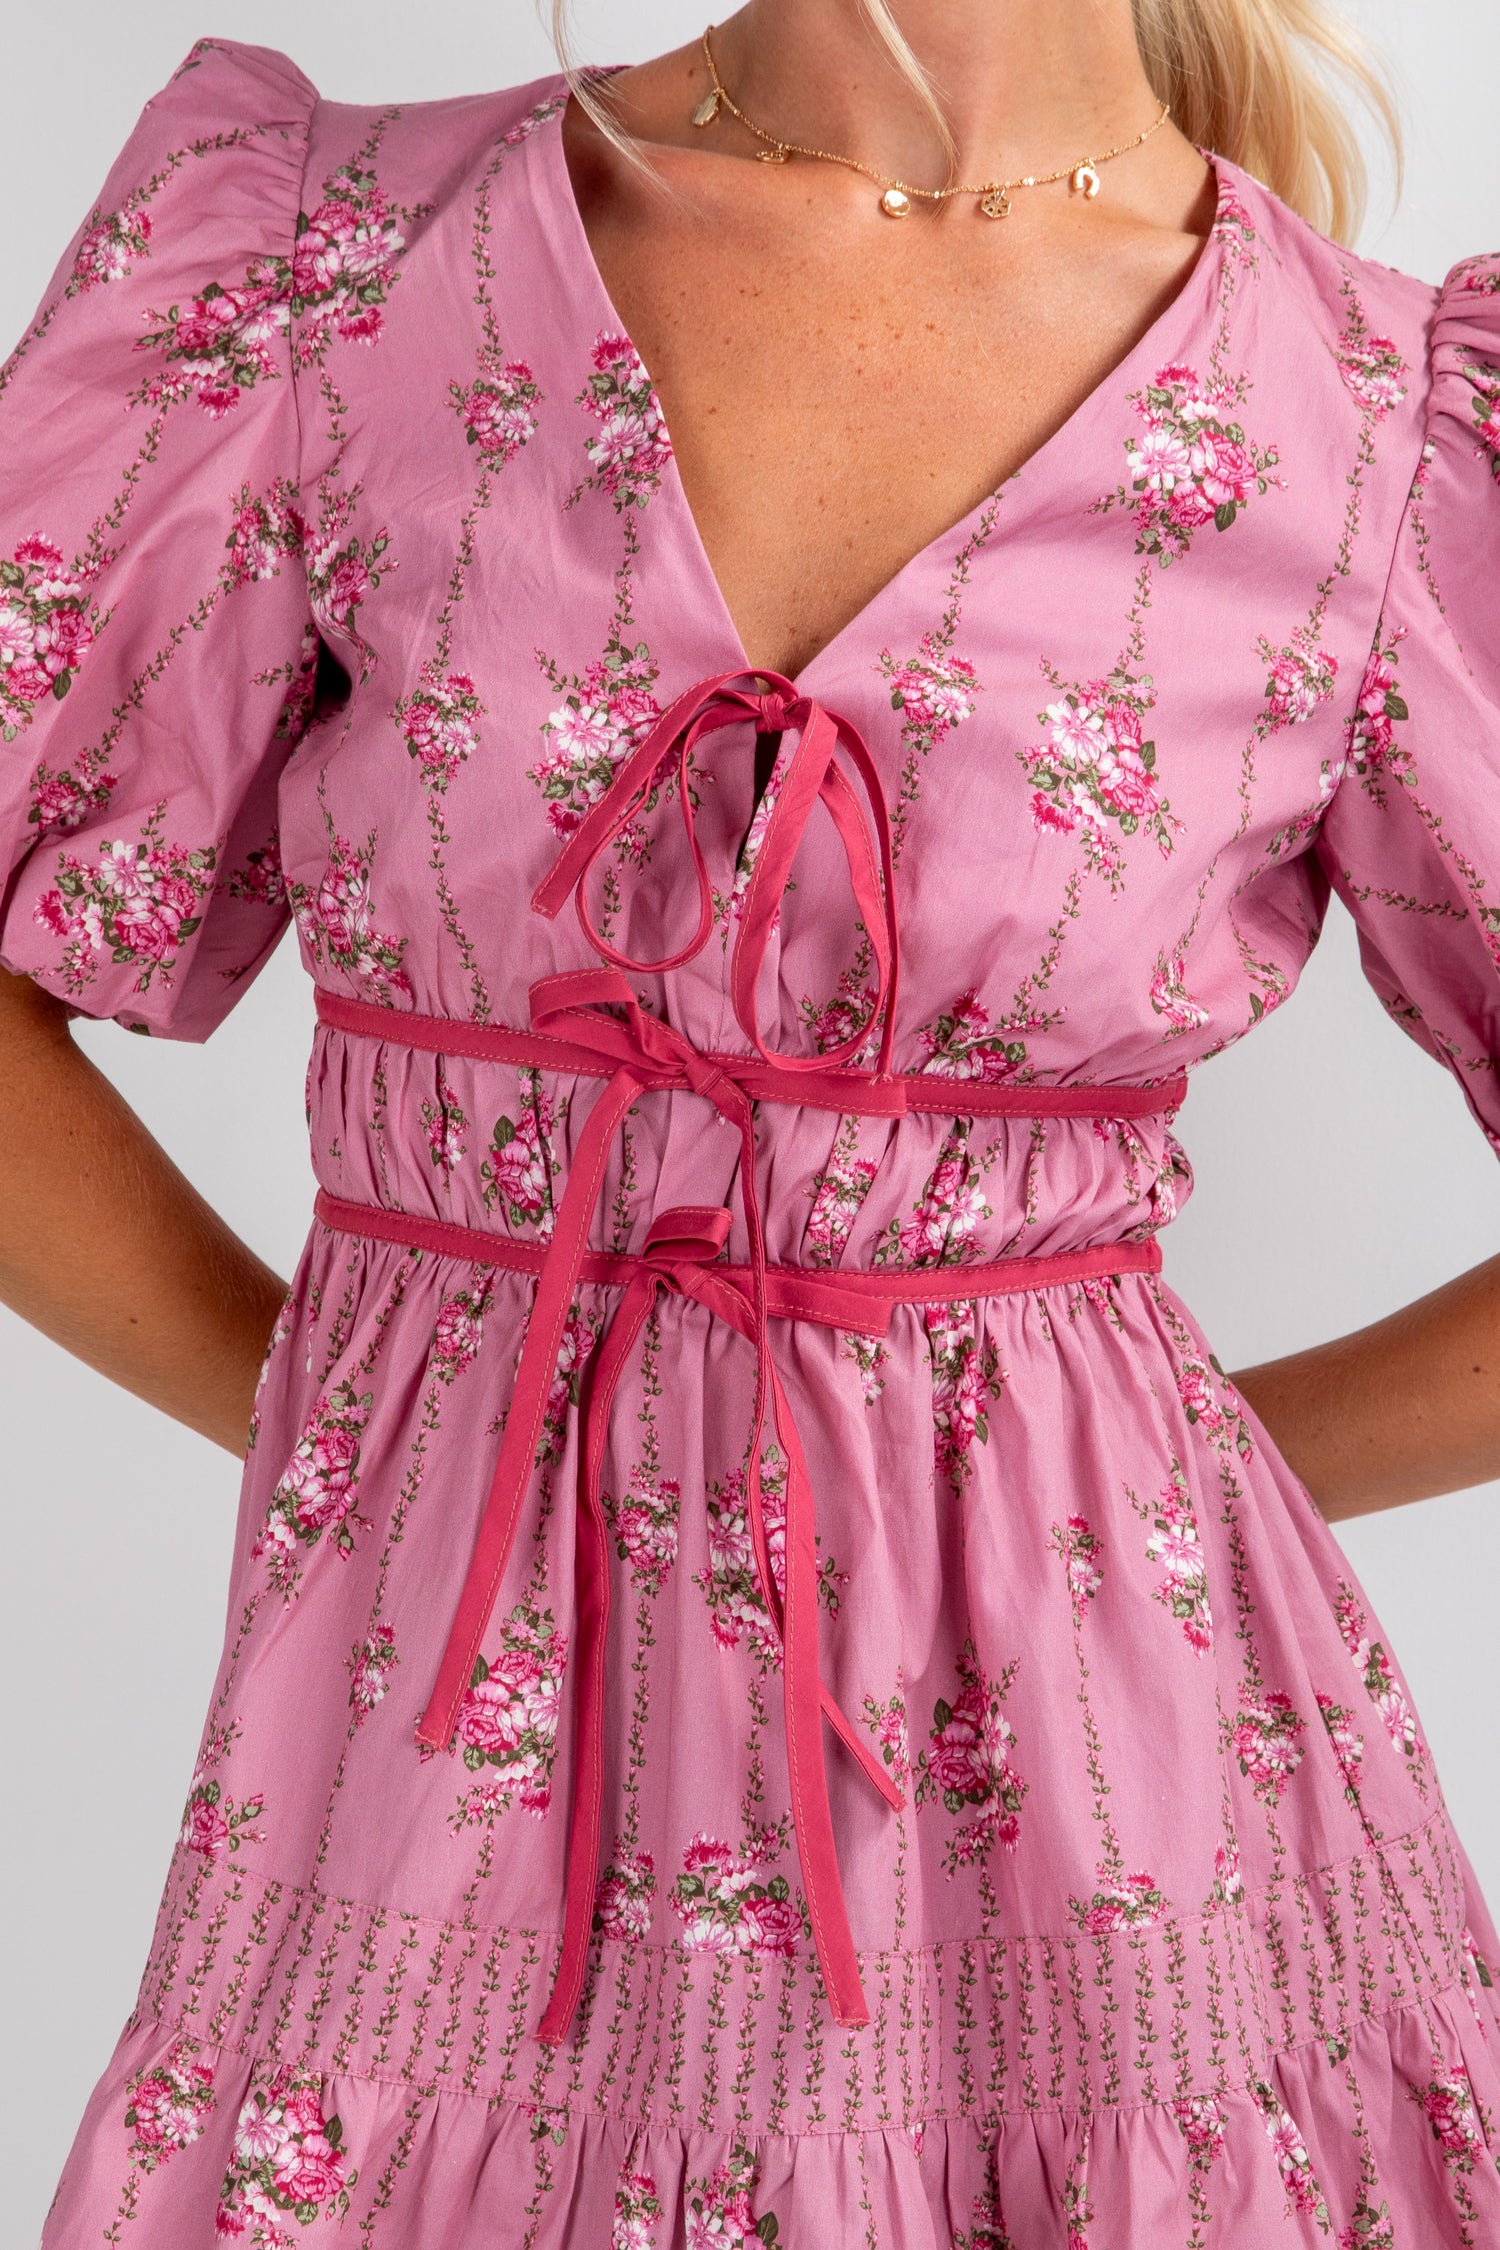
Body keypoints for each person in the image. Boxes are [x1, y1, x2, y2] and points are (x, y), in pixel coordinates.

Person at [3, 3, 1497, 2241]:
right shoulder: (329, 262)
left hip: (1115, 1814)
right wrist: (377, 1429)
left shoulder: (1376, 426)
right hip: (432, 1795)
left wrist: (1154, 1477)